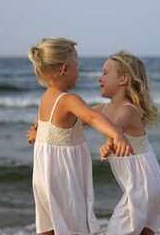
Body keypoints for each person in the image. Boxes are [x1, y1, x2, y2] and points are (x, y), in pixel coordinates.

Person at [27, 37, 133, 235]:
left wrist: (36, 133)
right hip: (63, 173)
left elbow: (42, 122)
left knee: (48, 222)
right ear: (65, 69)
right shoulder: (68, 99)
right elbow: (92, 117)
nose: (79, 70)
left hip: (43, 172)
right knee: (72, 222)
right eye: (77, 65)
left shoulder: (46, 97)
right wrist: (116, 134)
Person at [96, 50, 160, 235]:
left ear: (123, 79)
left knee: (117, 231)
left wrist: (109, 141)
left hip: (143, 185)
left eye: (106, 73)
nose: (100, 78)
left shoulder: (129, 110)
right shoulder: (103, 109)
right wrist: (40, 125)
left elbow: (118, 127)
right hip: (141, 185)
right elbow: (79, 116)